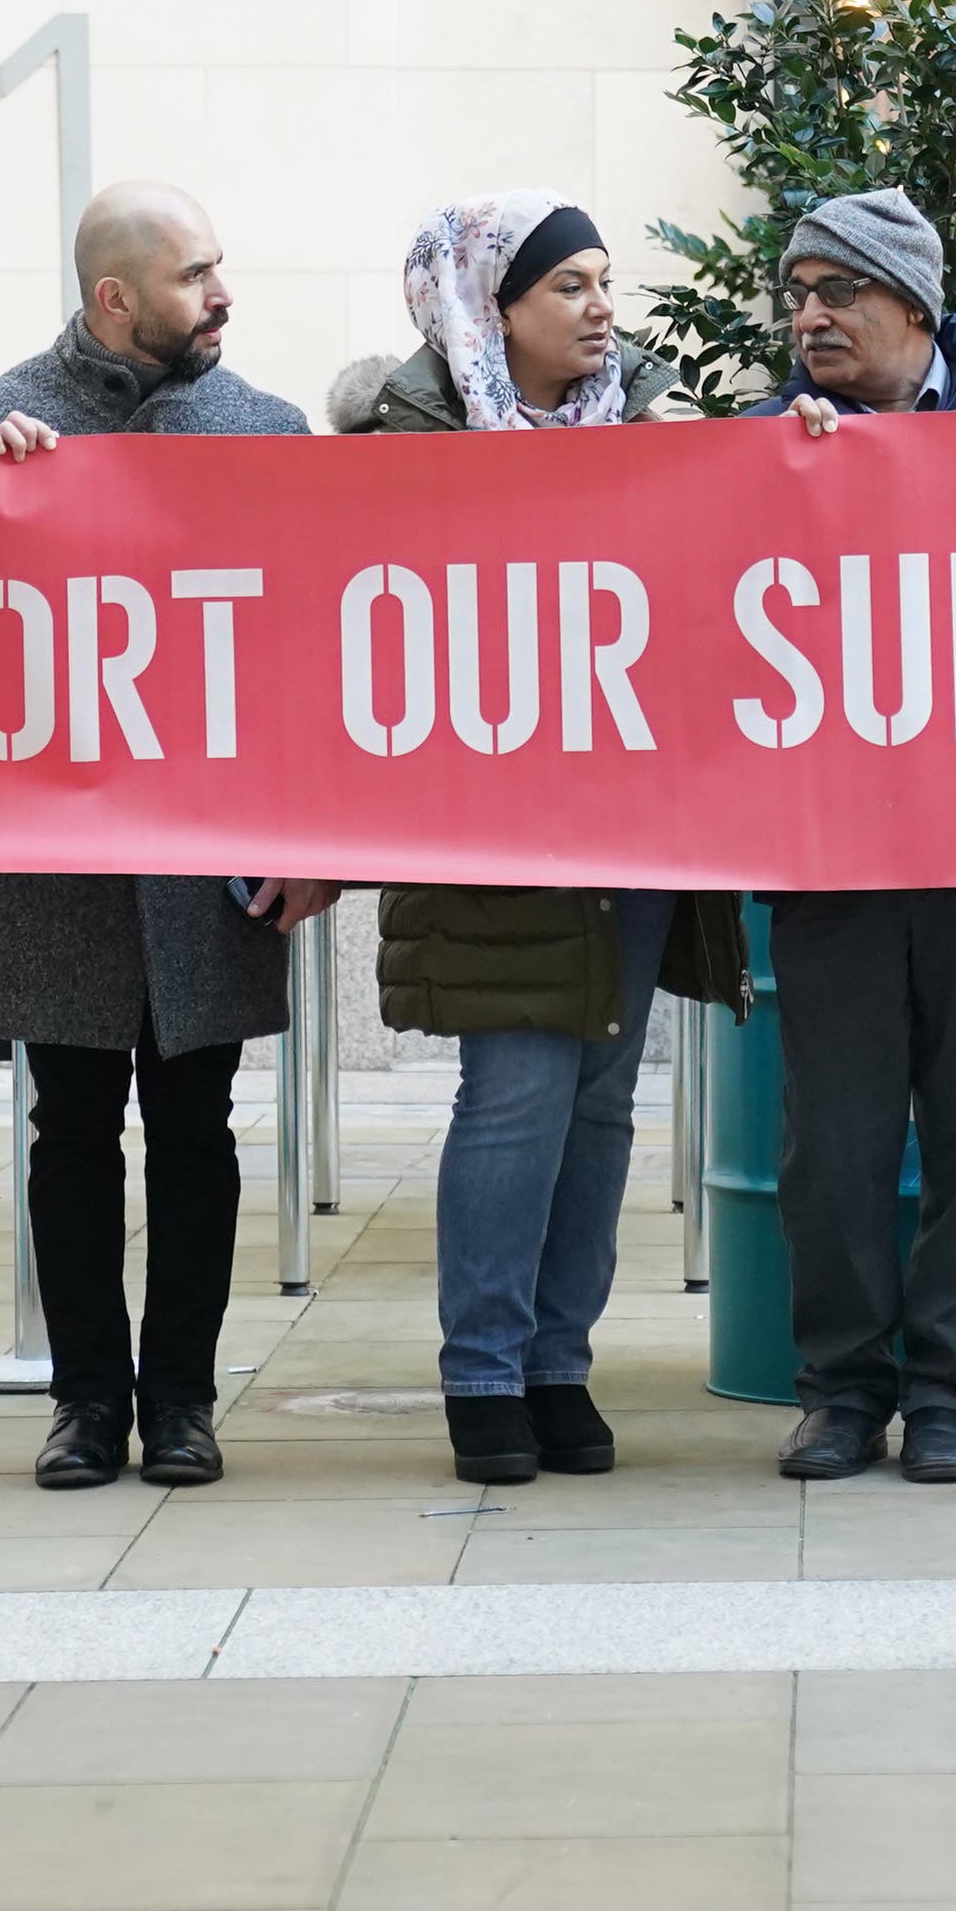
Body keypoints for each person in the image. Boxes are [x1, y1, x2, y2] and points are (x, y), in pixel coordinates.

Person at [334, 194, 745, 1483]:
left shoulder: (652, 422)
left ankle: (559, 1362)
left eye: (605, 282)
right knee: (513, 1097)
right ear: (489, 306)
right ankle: (482, 1375)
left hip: (631, 826)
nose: (601, 308)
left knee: (604, 1102)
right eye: (568, 284)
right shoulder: (406, 440)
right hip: (491, 829)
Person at [0, 180, 336, 1492]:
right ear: (113, 297)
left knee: (196, 1129)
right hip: (56, 857)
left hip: (204, 855)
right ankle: (81, 1404)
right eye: (193, 276)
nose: (221, 295)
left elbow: (306, 663)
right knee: (66, 1131)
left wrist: (315, 838)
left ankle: (179, 1401)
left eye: (219, 268)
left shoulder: (268, 432)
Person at [747, 188, 956, 1486]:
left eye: (837, 290)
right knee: (831, 1133)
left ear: (914, 307)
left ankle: (949, 1395)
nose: (808, 314)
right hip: (833, 851)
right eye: (796, 293)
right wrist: (781, 469)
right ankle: (837, 1390)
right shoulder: (771, 438)